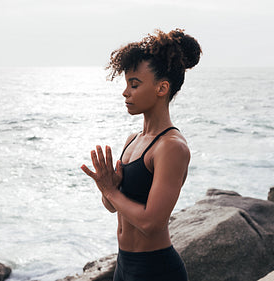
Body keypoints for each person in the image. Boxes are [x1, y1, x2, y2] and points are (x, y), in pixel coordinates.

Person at [81, 28, 202, 281]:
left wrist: (111, 191)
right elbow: (113, 207)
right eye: (126, 84)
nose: (126, 92)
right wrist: (107, 188)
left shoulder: (171, 146)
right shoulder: (133, 140)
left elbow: (151, 223)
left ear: (162, 88)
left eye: (134, 85)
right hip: (124, 264)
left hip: (155, 269)